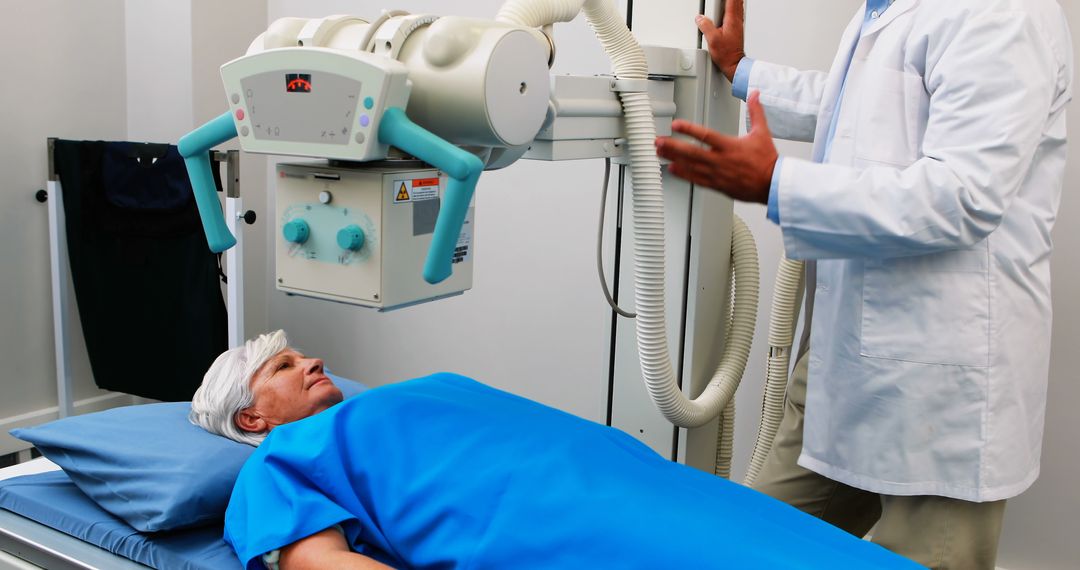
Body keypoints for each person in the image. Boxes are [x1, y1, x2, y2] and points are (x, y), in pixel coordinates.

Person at [654, 0, 1072, 567]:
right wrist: (744, 71)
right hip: (848, 358)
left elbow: (962, 195)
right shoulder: (888, 9)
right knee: (754, 545)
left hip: (941, 383)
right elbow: (855, 104)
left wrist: (779, 184)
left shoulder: (1001, 12)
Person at [191, 330, 922, 570]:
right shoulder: (276, 465)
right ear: (251, 419)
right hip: (557, 523)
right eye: (282, 369)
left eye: (300, 356)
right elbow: (322, 566)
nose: (310, 363)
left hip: (632, 480)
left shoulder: (406, 394)